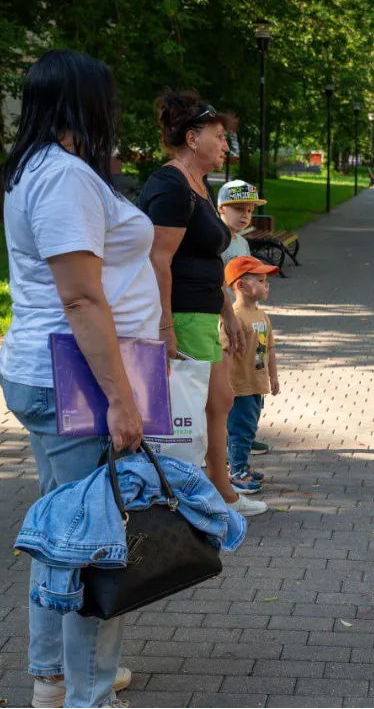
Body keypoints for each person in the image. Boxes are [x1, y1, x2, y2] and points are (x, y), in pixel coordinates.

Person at [0, 49, 144, 709]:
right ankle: (88, 695)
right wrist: (120, 398)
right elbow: (81, 299)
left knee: (63, 534)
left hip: (47, 374)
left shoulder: (33, 169)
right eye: (106, 100)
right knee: (92, 549)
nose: (111, 113)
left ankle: (51, 681)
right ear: (82, 103)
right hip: (72, 383)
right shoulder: (62, 178)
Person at [139, 90, 267, 517]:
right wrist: (164, 326)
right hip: (180, 313)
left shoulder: (198, 184)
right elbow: (158, 258)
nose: (225, 146)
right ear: (193, 138)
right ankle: (197, 496)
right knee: (191, 411)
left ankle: (221, 488)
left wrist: (227, 312)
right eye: (219, 136)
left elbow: (207, 257)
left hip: (202, 310)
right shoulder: (171, 185)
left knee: (221, 400)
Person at [217, 180, 272, 458]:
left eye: (249, 210)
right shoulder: (217, 239)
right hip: (223, 317)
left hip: (244, 315)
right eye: (237, 208)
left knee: (249, 372)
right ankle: (231, 438)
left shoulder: (241, 242)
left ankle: (244, 434)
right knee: (230, 378)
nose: (244, 215)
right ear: (220, 209)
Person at [222, 256, 281, 485]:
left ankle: (238, 464)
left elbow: (270, 348)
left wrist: (273, 376)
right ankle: (237, 472)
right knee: (241, 431)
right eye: (260, 280)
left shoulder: (262, 315)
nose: (266, 285)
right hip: (239, 387)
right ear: (241, 285)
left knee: (248, 428)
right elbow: (225, 352)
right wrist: (225, 384)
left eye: (266, 280)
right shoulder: (234, 317)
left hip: (256, 384)